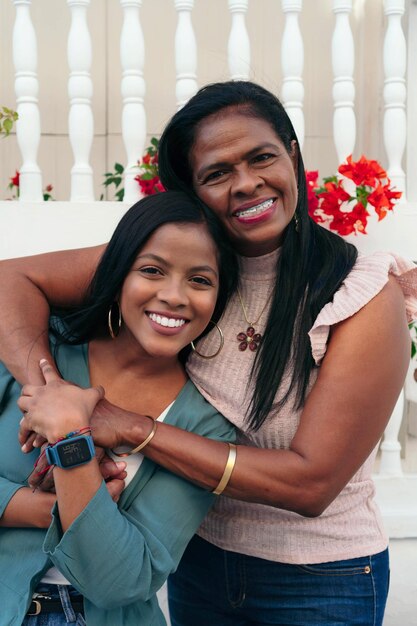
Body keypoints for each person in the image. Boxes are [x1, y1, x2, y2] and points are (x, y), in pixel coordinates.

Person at [1, 81, 417, 626]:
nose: (246, 184)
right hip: (199, 560)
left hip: (319, 578)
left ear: (292, 153)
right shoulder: (180, 266)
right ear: (195, 192)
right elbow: (14, 281)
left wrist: (119, 425)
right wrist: (53, 395)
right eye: (217, 173)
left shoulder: (358, 294)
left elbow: (310, 484)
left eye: (262, 157)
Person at [0, 190, 238, 625]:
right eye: (151, 270)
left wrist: (72, 438)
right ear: (117, 277)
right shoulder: (34, 351)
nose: (174, 296)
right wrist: (59, 510)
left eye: (200, 280)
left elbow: (121, 580)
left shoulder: (208, 426)